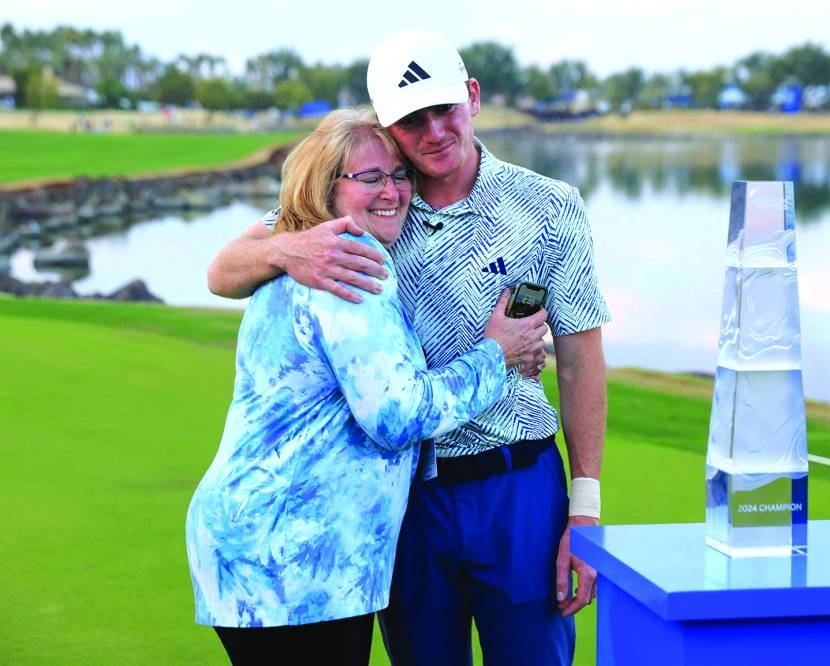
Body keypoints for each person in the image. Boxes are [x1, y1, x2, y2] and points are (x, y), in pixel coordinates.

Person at [207, 30, 611, 666]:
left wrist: (584, 512)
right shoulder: (370, 197)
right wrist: (287, 248)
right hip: (407, 498)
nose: (432, 133)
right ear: (388, 127)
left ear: (472, 98)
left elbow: (582, 356)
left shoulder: (549, 206)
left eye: (443, 110)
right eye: (410, 120)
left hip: (519, 487)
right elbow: (223, 270)